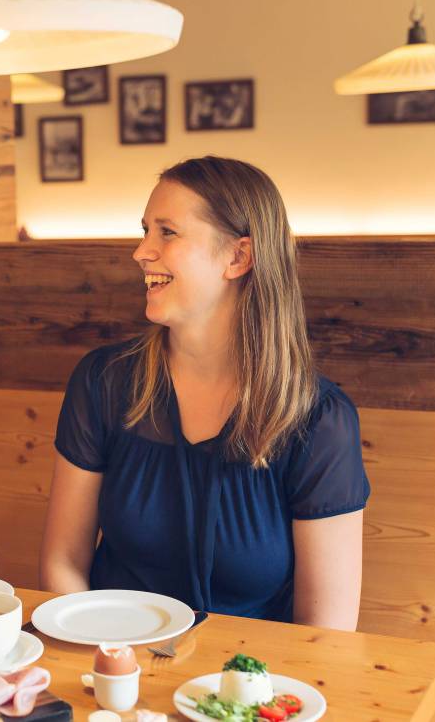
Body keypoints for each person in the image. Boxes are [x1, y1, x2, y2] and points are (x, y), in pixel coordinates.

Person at [39, 156, 369, 630]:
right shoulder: (103, 382)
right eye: (145, 230)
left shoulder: (319, 420)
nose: (141, 251)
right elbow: (63, 565)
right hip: (110, 670)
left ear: (238, 257)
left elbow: (326, 633)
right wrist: (108, 665)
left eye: (166, 232)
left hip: (247, 688)